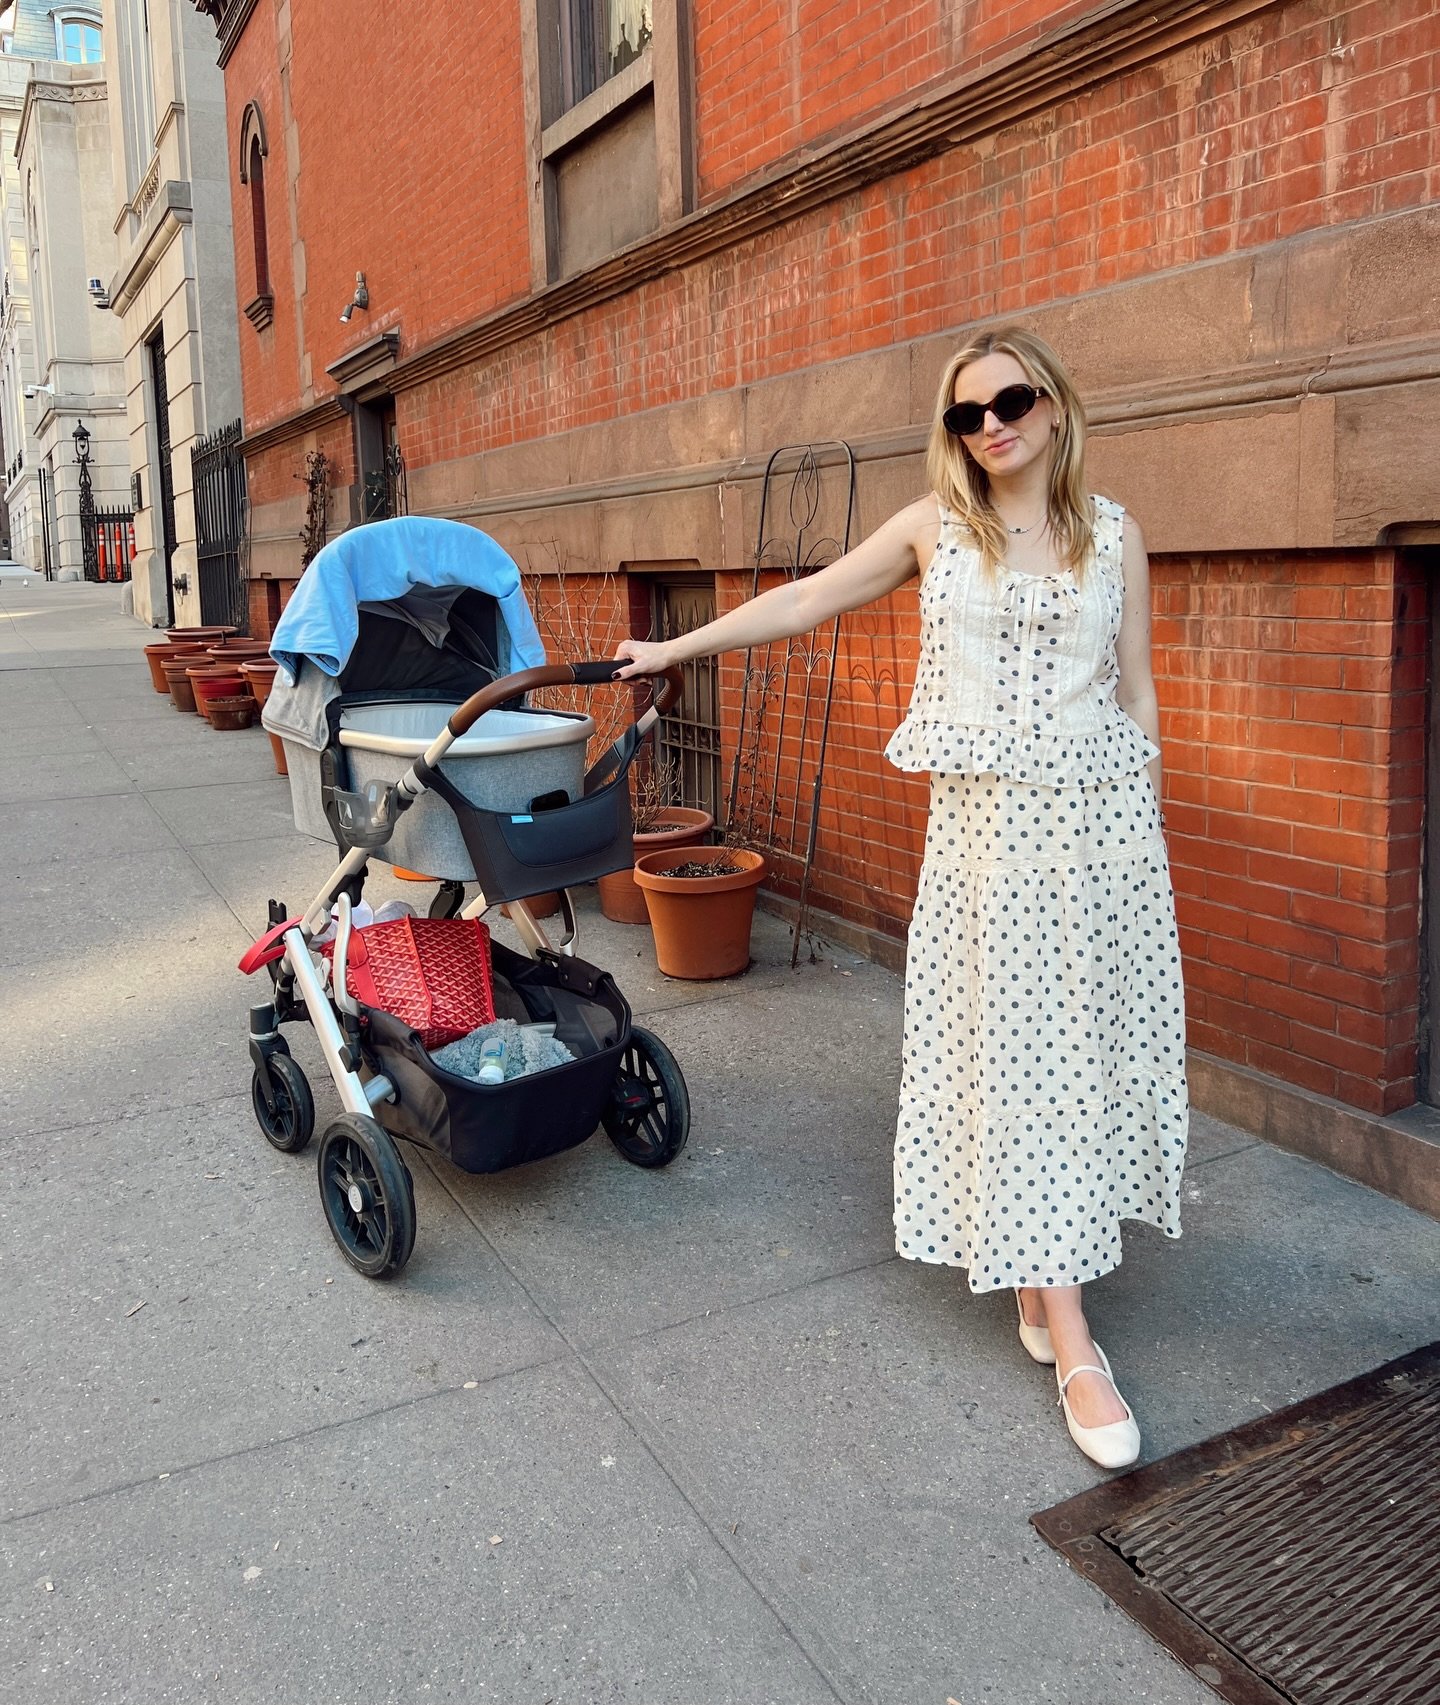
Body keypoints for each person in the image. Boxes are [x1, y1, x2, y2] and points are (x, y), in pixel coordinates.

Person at [614, 327, 1187, 1469]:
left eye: (1012, 400)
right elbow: (808, 599)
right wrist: (673, 645)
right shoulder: (938, 531)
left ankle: (1041, 1290)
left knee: (1072, 1064)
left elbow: (1138, 694)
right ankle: (1073, 1337)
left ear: (1056, 406)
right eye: (969, 414)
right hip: (985, 855)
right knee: (1021, 1067)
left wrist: (1146, 846)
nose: (993, 425)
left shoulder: (1114, 534)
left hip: (1096, 846)